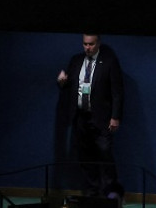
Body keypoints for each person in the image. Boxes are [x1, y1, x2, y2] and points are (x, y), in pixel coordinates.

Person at [56, 34, 124, 198]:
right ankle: (92, 191)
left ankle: (111, 191)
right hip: (80, 117)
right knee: (85, 156)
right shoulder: (76, 60)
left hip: (101, 118)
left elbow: (117, 91)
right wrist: (62, 82)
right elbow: (69, 86)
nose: (88, 47)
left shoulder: (109, 61)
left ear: (98, 43)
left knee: (105, 153)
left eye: (91, 44)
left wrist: (115, 117)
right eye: (85, 44)